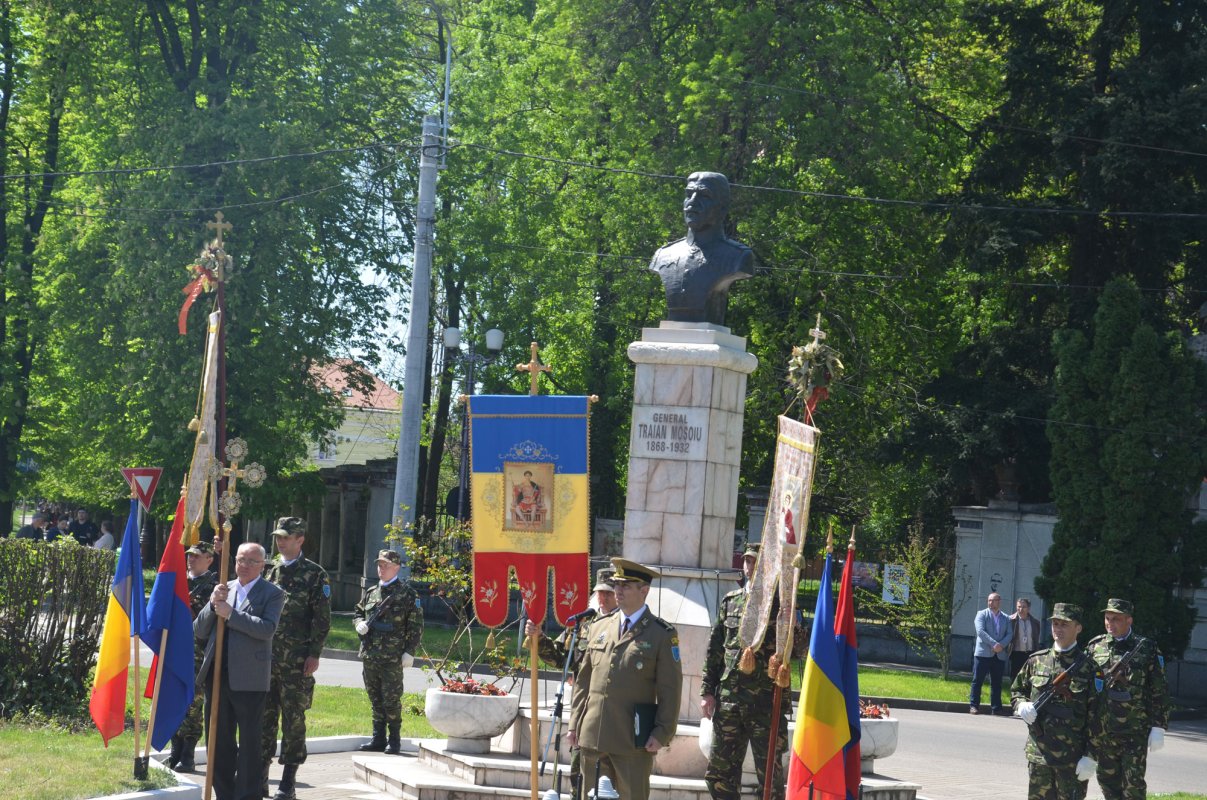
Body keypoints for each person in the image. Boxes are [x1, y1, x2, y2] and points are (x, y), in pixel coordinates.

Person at [569, 558, 683, 800]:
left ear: (644, 591)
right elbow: (583, 682)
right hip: (594, 735)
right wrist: (574, 723)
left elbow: (670, 690)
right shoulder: (599, 626)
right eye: (616, 584)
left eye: (626, 586)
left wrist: (662, 732)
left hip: (632, 741)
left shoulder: (661, 634)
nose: (618, 591)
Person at [700, 544, 805, 800]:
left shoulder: (782, 606)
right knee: (720, 773)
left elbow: (800, 649)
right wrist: (707, 692)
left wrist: (793, 623)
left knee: (769, 776)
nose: (749, 566)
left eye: (755, 562)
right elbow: (715, 650)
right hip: (730, 700)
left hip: (766, 704)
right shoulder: (730, 601)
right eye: (747, 561)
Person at [194, 542, 285, 800]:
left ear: (263, 566)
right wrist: (213, 605)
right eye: (240, 560)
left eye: (251, 561)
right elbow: (199, 630)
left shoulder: (272, 593)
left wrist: (231, 614)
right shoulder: (224, 589)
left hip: (249, 678)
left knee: (249, 743)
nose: (244, 566)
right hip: (218, 674)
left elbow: (267, 629)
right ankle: (224, 793)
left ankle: (247, 795)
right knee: (218, 740)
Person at [525, 569, 619, 800]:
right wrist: (539, 637)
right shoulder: (583, 623)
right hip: (584, 707)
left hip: (615, 708)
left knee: (611, 778)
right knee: (578, 770)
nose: (602, 598)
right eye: (599, 593)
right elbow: (561, 657)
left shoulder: (625, 624)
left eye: (607, 593)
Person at [260, 517, 331, 800]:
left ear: (300, 539)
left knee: (293, 720)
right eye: (278, 536)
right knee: (264, 718)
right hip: (266, 659)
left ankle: (288, 781)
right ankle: (260, 776)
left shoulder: (315, 574)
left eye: (286, 537)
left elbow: (322, 619)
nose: (280, 541)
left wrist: (314, 654)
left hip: (297, 662)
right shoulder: (270, 572)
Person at [1011, 603, 1100, 800]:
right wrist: (1021, 705)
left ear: (1078, 628)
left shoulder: (1089, 668)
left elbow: (1098, 716)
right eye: (1055, 624)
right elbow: (1017, 690)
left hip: (1072, 758)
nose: (1058, 629)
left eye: (1064, 625)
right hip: (1039, 754)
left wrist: (1091, 756)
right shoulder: (1036, 660)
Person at [1087, 598, 1169, 800]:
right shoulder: (1095, 646)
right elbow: (1085, 687)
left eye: (1116, 619)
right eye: (1107, 618)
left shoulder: (1146, 648)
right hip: (1104, 732)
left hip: (1134, 731)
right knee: (1107, 783)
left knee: (1133, 787)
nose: (1110, 623)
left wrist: (1159, 726)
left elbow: (1159, 689)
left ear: (1129, 620)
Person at [648, 172, 754, 326]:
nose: (692, 202)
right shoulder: (663, 255)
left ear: (722, 207)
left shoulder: (738, 257)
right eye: (688, 194)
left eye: (704, 196)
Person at [353, 549, 423, 755]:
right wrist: (359, 623)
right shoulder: (371, 592)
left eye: (385, 565)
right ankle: (378, 738)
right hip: (370, 653)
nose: (380, 569)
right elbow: (358, 611)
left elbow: (416, 626)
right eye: (379, 565)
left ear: (396, 567)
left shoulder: (408, 594)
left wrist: (410, 651)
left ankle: (394, 740)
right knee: (375, 698)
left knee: (391, 699)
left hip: (393, 656)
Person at [169, 540, 218, 772]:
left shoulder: (214, 586)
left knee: (193, 702)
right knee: (172, 699)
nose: (191, 558)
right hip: (173, 648)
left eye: (198, 556)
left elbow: (209, 621)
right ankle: (174, 751)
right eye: (190, 555)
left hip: (198, 652)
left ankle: (187, 756)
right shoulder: (178, 581)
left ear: (210, 559)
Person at [970, 592, 1013, 715]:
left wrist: (1001, 646)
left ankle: (996, 708)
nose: (990, 602)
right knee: (977, 681)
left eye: (993, 600)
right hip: (983, 654)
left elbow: (1010, 634)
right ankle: (974, 706)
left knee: (997, 683)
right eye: (989, 600)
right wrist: (995, 644)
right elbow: (981, 631)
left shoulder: (1006, 618)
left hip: (999, 655)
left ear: (999, 601)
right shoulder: (981, 614)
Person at [1010, 597, 1043, 678]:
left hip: (1030, 654)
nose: (1020, 609)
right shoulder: (1011, 620)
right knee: (1015, 677)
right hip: (1016, 654)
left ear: (1028, 608)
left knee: (1029, 677)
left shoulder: (1035, 622)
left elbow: (1036, 639)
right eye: (1019, 606)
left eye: (1023, 607)